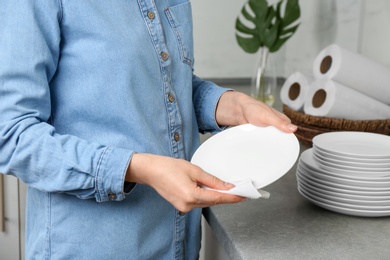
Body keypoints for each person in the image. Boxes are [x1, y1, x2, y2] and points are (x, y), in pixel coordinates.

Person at [0, 0, 297, 259]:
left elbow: (158, 84)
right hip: (93, 248)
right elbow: (11, 133)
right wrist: (138, 168)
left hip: (177, 243)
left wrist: (228, 104)